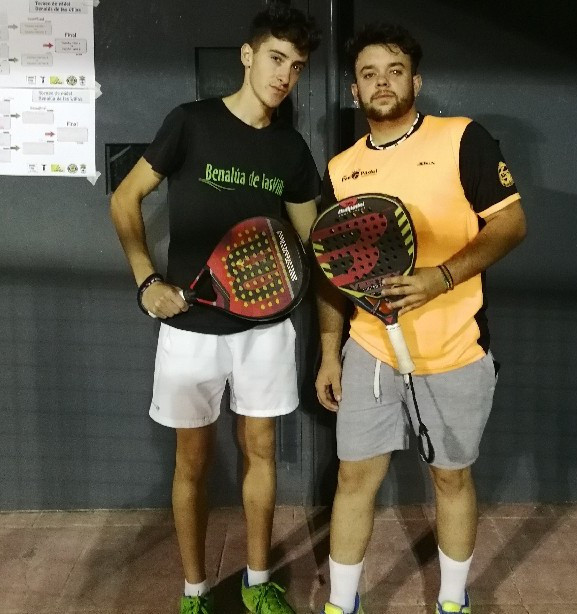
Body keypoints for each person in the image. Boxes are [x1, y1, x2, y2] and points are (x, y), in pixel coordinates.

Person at [110, 5, 321, 614]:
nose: (284, 75)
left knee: (261, 451)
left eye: (297, 67)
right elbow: (125, 199)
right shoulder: (191, 122)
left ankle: (257, 582)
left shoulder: (290, 148)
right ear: (248, 56)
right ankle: (194, 593)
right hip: (190, 326)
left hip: (265, 330)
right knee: (192, 462)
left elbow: (310, 241)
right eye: (276, 58)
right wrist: (146, 280)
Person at [315, 23, 526, 614]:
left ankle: (452, 601)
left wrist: (442, 278)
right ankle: (341, 605)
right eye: (368, 74)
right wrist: (330, 353)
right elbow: (332, 272)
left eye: (395, 70)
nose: (382, 82)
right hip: (371, 350)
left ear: (416, 81)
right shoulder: (341, 168)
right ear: (354, 90)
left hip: (455, 348)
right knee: (354, 479)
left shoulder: (462, 139)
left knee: (451, 479)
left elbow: (510, 224)